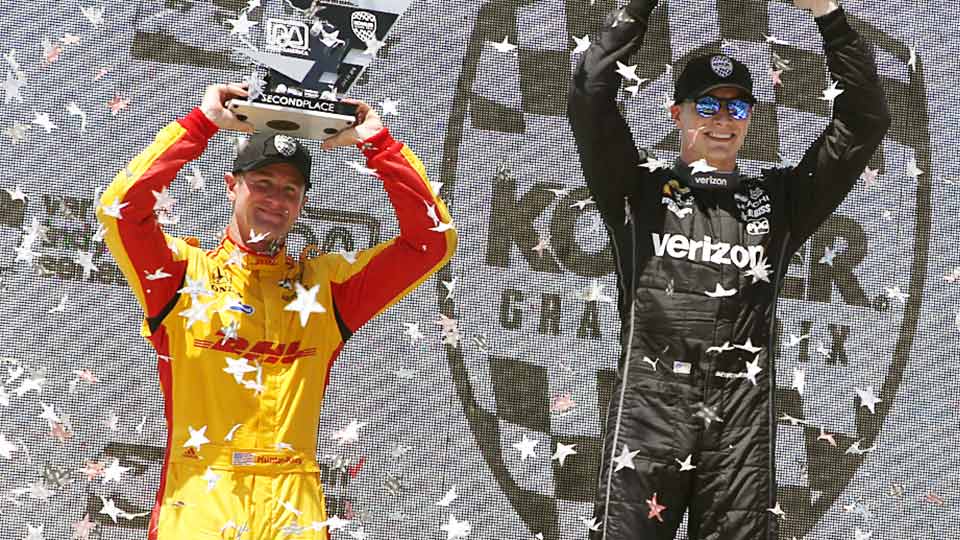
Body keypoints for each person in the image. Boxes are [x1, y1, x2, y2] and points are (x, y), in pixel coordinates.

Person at [567, 0, 889, 538]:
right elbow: (589, 96)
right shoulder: (637, 185)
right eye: (707, 106)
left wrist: (828, 16)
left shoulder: (781, 200)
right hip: (649, 409)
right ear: (677, 114)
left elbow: (864, 120)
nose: (722, 121)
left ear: (751, 120)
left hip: (738, 416)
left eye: (737, 109)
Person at [97, 82, 457, 539]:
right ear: (232, 187)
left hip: (294, 503)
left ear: (303, 203)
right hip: (202, 497)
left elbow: (431, 241)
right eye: (262, 183)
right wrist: (200, 125)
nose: (276, 199)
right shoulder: (183, 276)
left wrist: (379, 145)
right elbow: (120, 211)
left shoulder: (327, 288)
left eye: (290, 190)